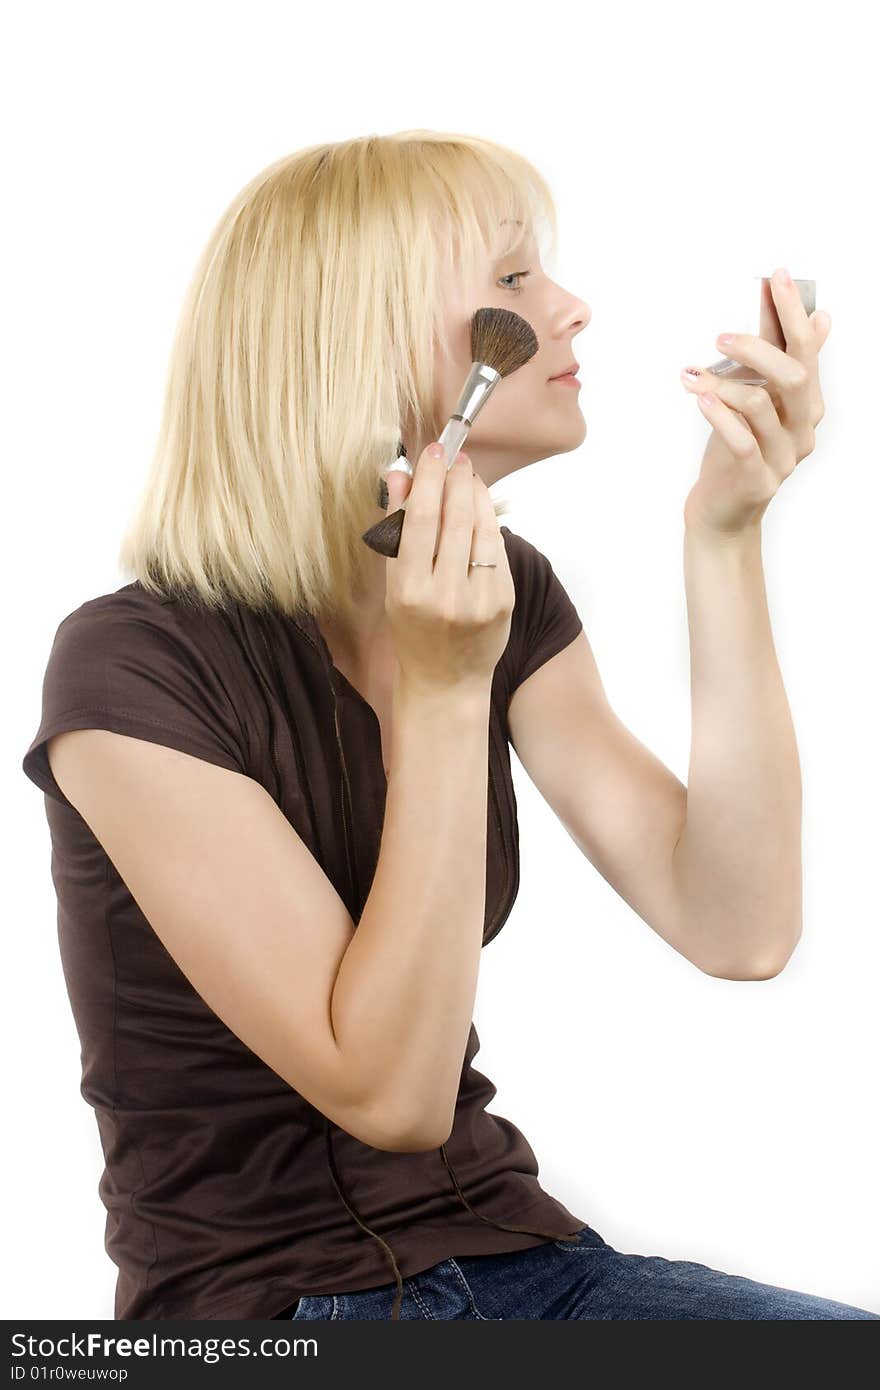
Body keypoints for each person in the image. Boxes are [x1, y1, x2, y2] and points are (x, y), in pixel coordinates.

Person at [22, 131, 877, 1322]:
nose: (571, 310)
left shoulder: (503, 590)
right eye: (516, 282)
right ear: (352, 344)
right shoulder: (131, 665)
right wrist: (438, 691)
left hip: (528, 1257)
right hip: (253, 1312)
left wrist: (724, 536)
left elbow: (737, 924)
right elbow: (390, 1094)